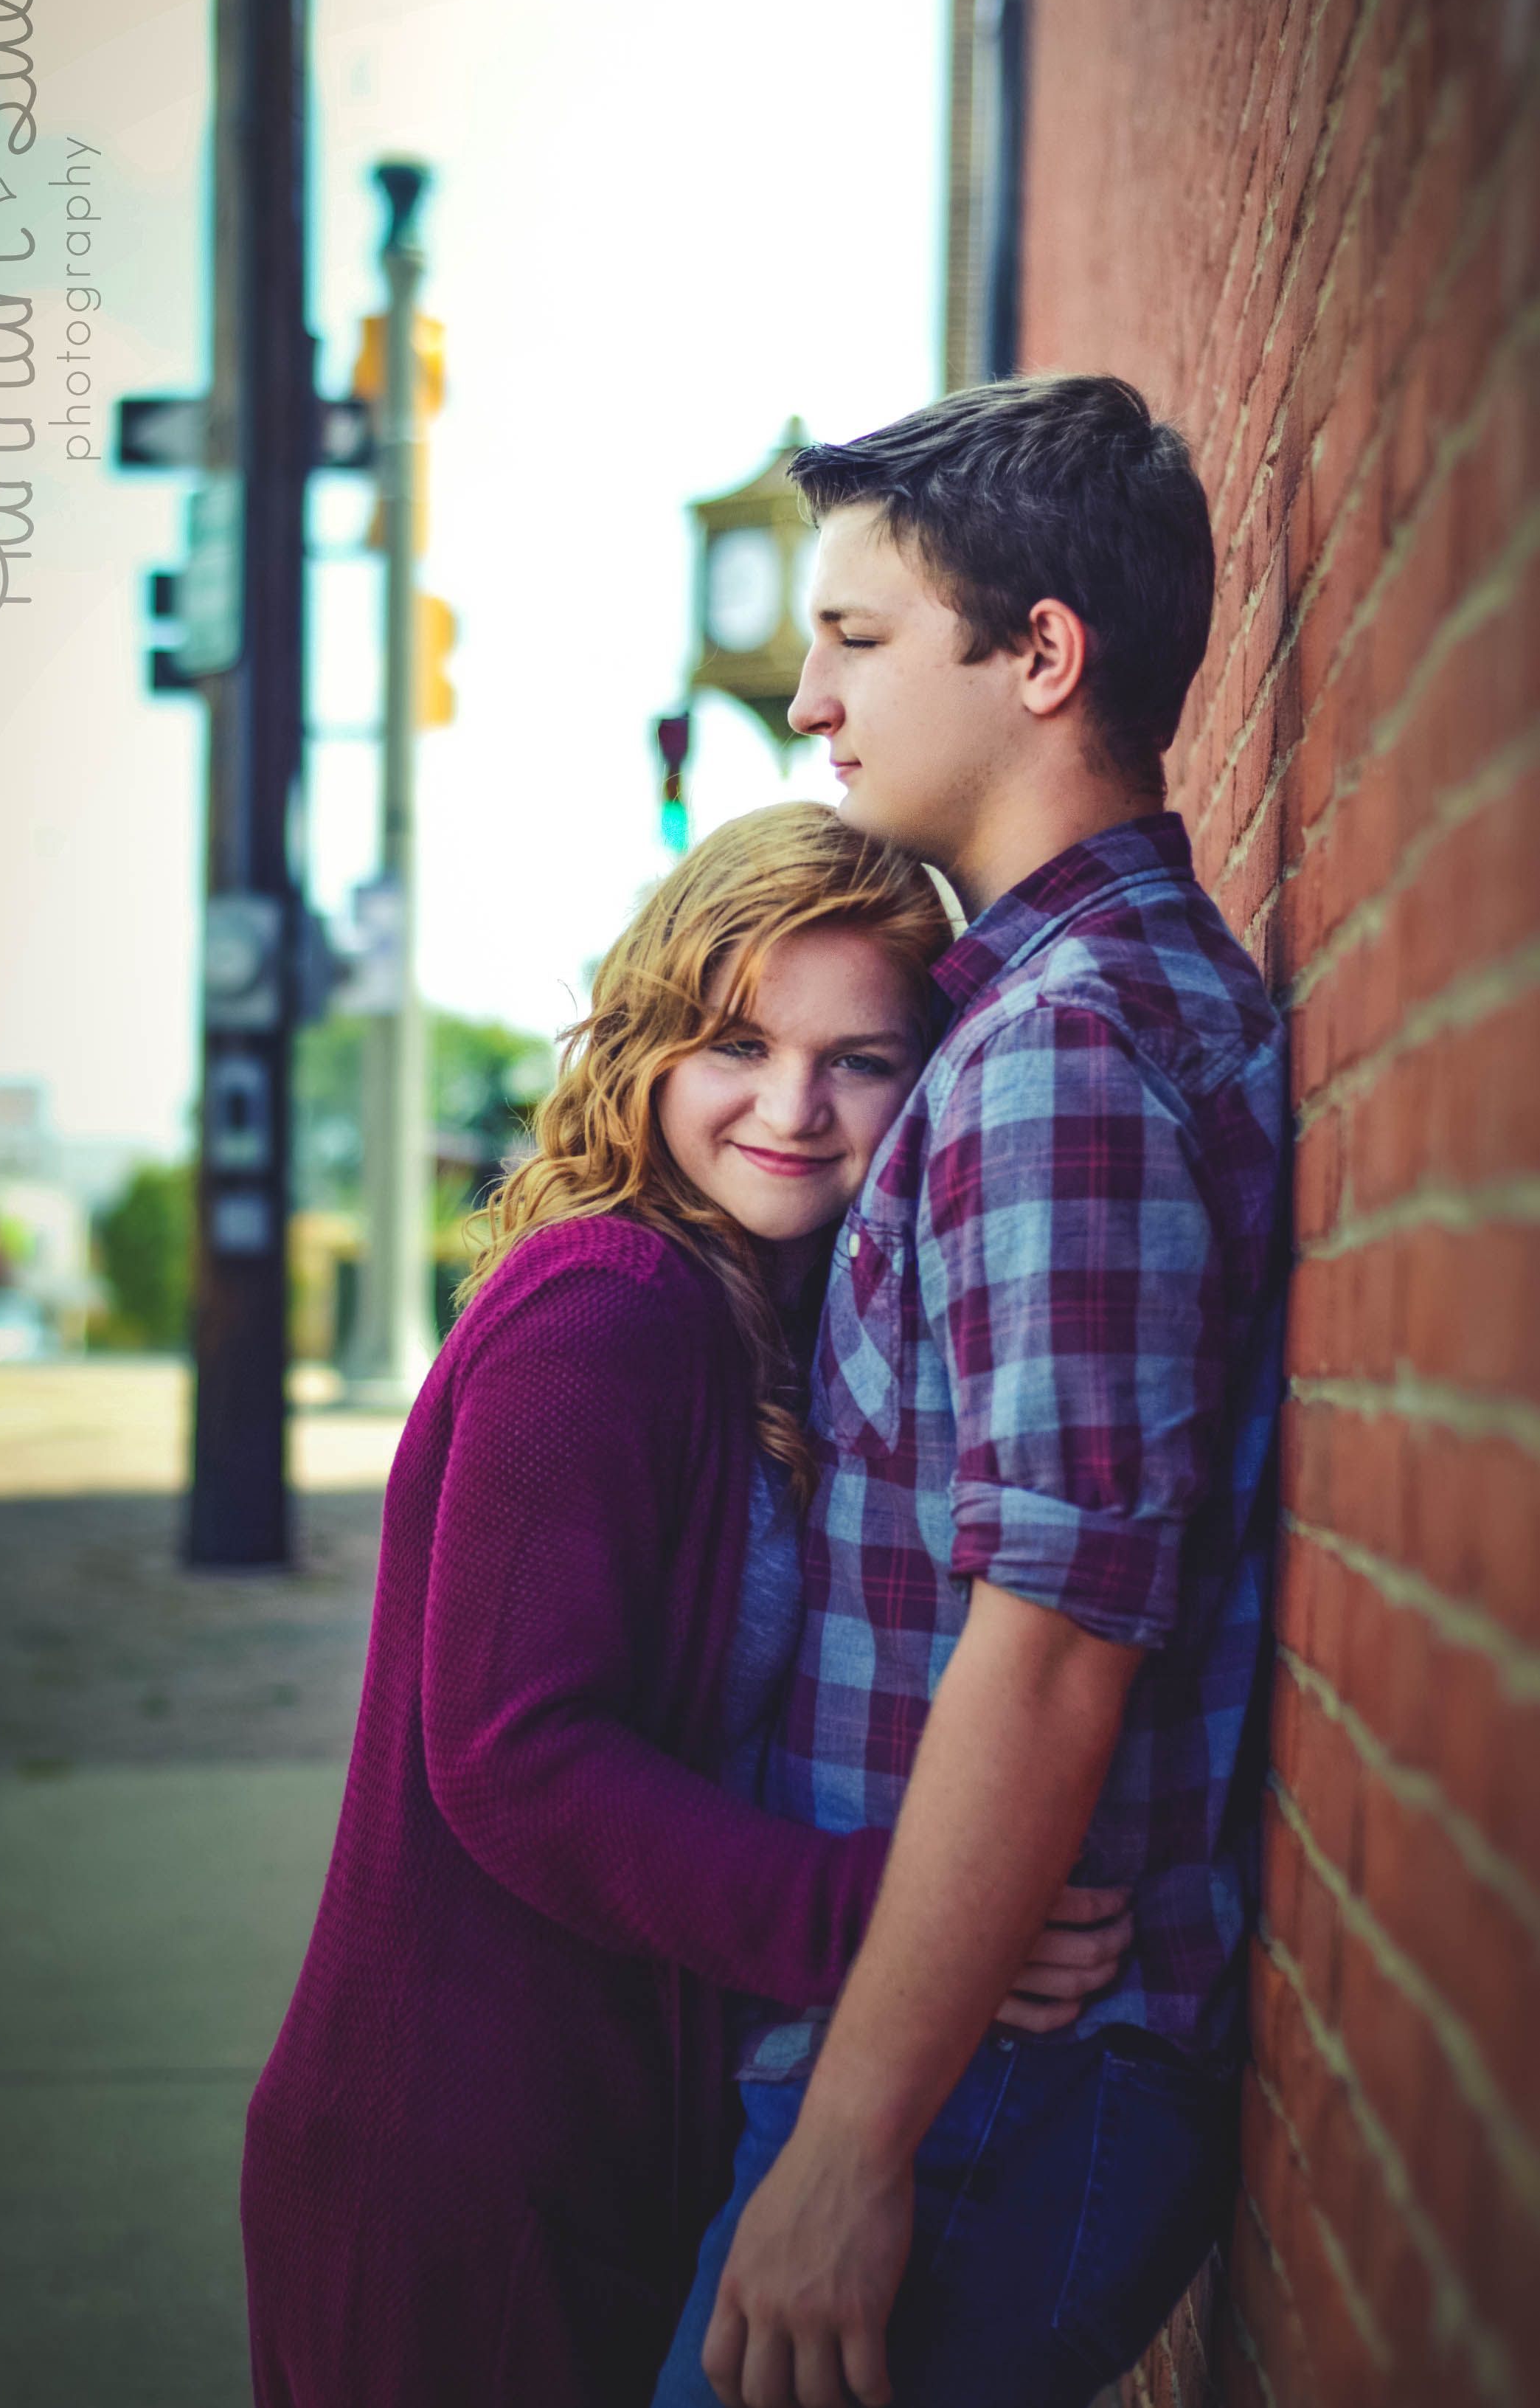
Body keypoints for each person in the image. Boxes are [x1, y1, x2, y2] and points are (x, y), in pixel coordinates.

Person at [240, 802, 1129, 2408]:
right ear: (646, 1050)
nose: (791, 1107)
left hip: (598, 2143)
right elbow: (517, 1758)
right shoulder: (608, 1310)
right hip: (462, 2173)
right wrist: (910, 1923)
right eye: (734, 1041)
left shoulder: (764, 1322)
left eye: (858, 1059)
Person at [652, 376, 1288, 2408]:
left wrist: (849, 2142)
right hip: (960, 2065)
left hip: (982, 2095)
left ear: (1041, 654)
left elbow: (1053, 1638)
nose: (809, 702)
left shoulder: (1059, 1061)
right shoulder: (1033, 1021)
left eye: (855, 640)